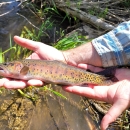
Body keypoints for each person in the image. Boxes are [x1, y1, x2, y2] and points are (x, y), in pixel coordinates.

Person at [0, 21, 130, 130]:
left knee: (92, 78)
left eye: (6, 64)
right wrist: (65, 57)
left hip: (73, 74)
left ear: (18, 66)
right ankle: (102, 78)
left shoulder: (23, 69)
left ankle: (102, 79)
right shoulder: (22, 68)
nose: (4, 66)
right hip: (70, 73)